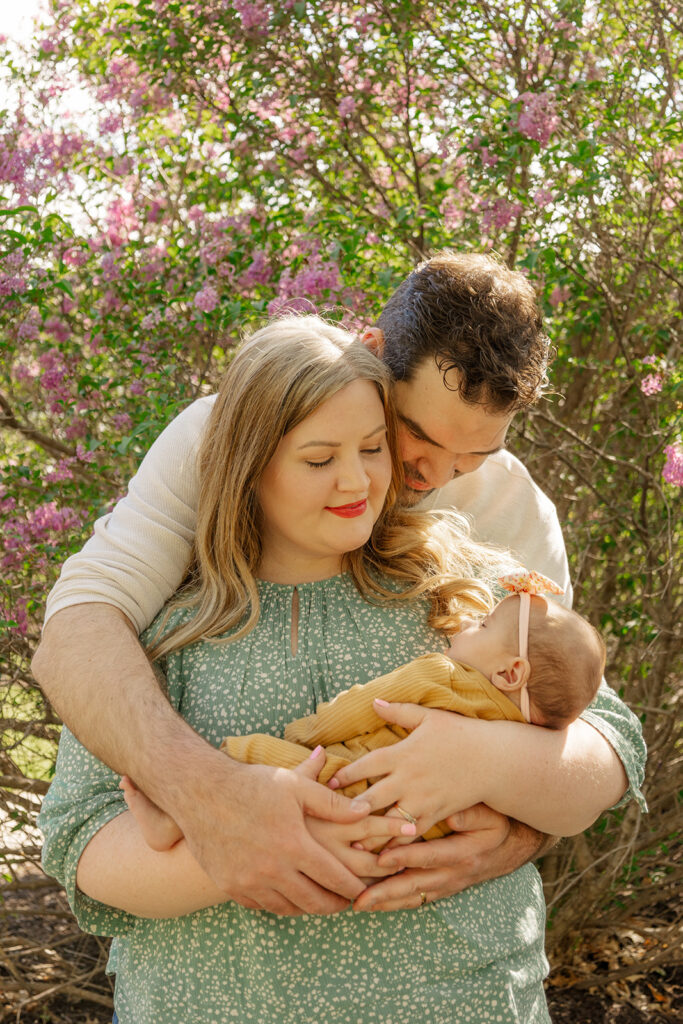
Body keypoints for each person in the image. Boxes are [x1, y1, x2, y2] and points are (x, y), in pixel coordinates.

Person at [32, 252, 646, 916]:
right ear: (372, 353)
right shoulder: (223, 436)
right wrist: (206, 797)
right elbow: (81, 626)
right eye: (413, 435)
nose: (434, 476)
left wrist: (512, 830)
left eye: (472, 455)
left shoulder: (506, 505)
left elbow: (569, 711)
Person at [122, 570, 606, 853]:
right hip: (416, 831)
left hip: (347, 780)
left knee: (251, 757)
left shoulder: (443, 676)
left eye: (481, 625)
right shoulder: (519, 731)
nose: (466, 625)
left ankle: (176, 819)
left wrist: (305, 732)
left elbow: (364, 708)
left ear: (509, 673)